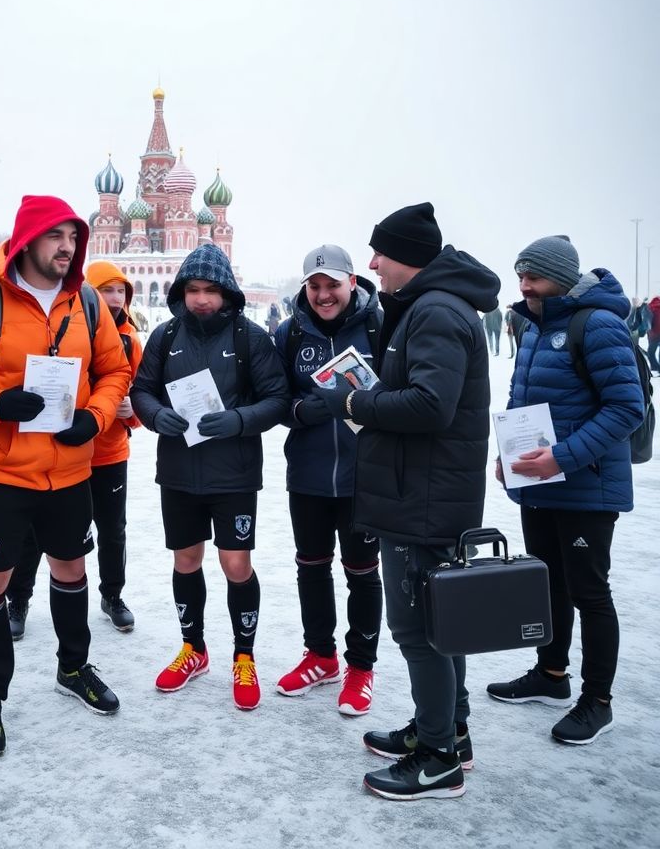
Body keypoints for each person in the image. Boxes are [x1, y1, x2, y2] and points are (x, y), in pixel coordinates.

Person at [0, 195, 130, 759]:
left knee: (71, 567)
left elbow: (115, 371)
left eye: (73, 237)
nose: (67, 247)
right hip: (0, 471)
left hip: (69, 471)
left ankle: (73, 666)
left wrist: (94, 417)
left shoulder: (87, 303)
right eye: (55, 236)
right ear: (27, 239)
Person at [309, 203, 499, 800]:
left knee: (419, 629)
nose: (372, 265)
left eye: (380, 254)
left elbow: (429, 405)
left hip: (424, 498)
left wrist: (356, 404)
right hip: (422, 490)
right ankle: (447, 730)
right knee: (440, 624)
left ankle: (439, 756)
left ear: (409, 257)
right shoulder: (428, 307)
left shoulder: (437, 311)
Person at [486, 235, 644, 746]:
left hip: (587, 487)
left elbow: (626, 408)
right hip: (542, 482)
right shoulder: (534, 326)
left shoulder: (597, 324)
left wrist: (563, 456)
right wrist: (508, 457)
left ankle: (598, 701)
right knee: (547, 581)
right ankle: (551, 674)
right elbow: (523, 399)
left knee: (589, 593)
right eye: (520, 276)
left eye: (533, 276)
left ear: (564, 277)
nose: (524, 285)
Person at [130, 244, 289, 711]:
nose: (201, 299)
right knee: (185, 560)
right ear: (182, 292)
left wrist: (239, 420)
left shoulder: (250, 338)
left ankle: (244, 655)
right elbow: (142, 390)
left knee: (235, 565)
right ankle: (193, 649)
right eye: (194, 290)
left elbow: (277, 398)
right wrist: (157, 415)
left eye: (211, 291)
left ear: (228, 293)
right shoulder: (164, 335)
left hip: (233, 474)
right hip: (179, 471)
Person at [5, 258, 144, 638]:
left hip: (108, 453)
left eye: (121, 291)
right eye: (106, 290)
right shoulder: (64, 331)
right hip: (59, 452)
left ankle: (112, 595)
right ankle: (19, 598)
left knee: (112, 529)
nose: (115, 299)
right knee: (37, 531)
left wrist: (132, 414)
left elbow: (142, 398)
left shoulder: (131, 340)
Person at [273, 244, 383, 714]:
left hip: (366, 477)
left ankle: (360, 667)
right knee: (312, 568)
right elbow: (273, 397)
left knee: (362, 573)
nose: (323, 294)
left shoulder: (381, 326)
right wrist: (300, 410)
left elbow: (404, 393)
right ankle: (320, 655)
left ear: (352, 283)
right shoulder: (290, 333)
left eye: (332, 285)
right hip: (309, 475)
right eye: (315, 286)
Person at [647, 295, 660, 376]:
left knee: (650, 352)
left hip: (654, 334)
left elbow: (648, 322)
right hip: (655, 333)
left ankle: (655, 367)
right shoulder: (650, 309)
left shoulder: (650, 308)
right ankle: (657, 368)